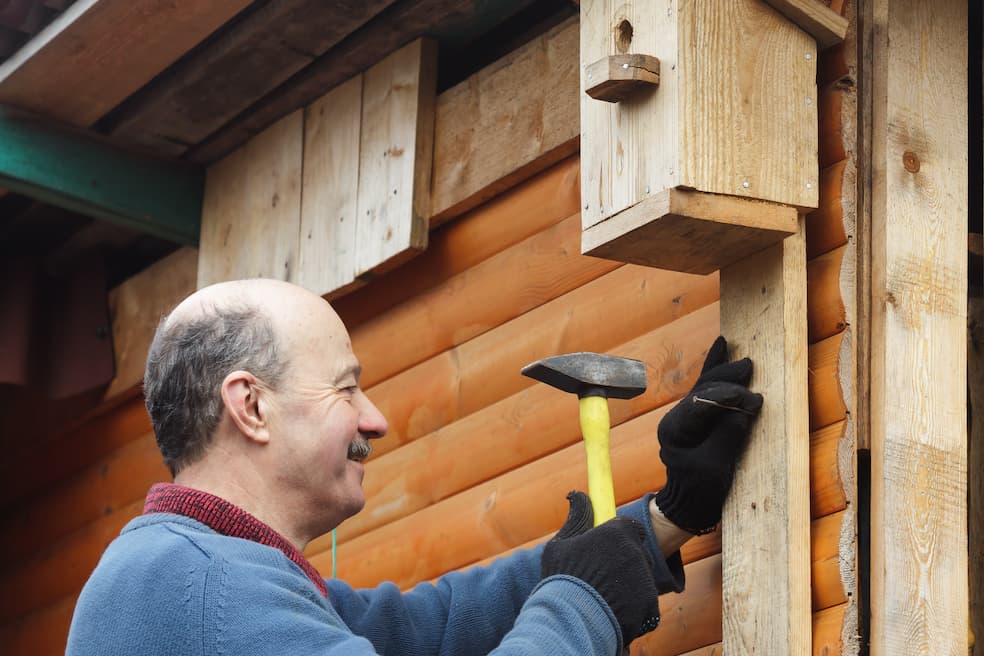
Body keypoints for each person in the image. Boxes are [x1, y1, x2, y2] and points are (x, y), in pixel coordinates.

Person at [66, 278, 762, 655]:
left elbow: (429, 631)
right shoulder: (200, 591)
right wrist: (584, 602)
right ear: (251, 405)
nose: (376, 420)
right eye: (345, 388)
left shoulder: (205, 575)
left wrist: (660, 521)